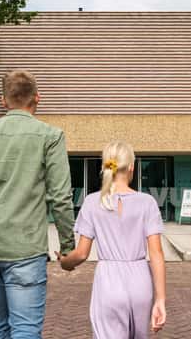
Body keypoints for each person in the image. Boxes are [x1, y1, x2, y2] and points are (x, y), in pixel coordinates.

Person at [0, 69, 76, 339]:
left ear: (3, 101)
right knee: (26, 329)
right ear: (37, 98)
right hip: (25, 248)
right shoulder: (50, 136)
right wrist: (68, 247)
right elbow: (60, 197)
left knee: (0, 327)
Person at [58, 141, 167, 337]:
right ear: (131, 167)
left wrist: (65, 262)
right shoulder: (147, 203)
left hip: (108, 282)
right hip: (140, 281)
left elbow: (81, 253)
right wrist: (160, 299)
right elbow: (156, 253)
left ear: (105, 166)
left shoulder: (93, 202)